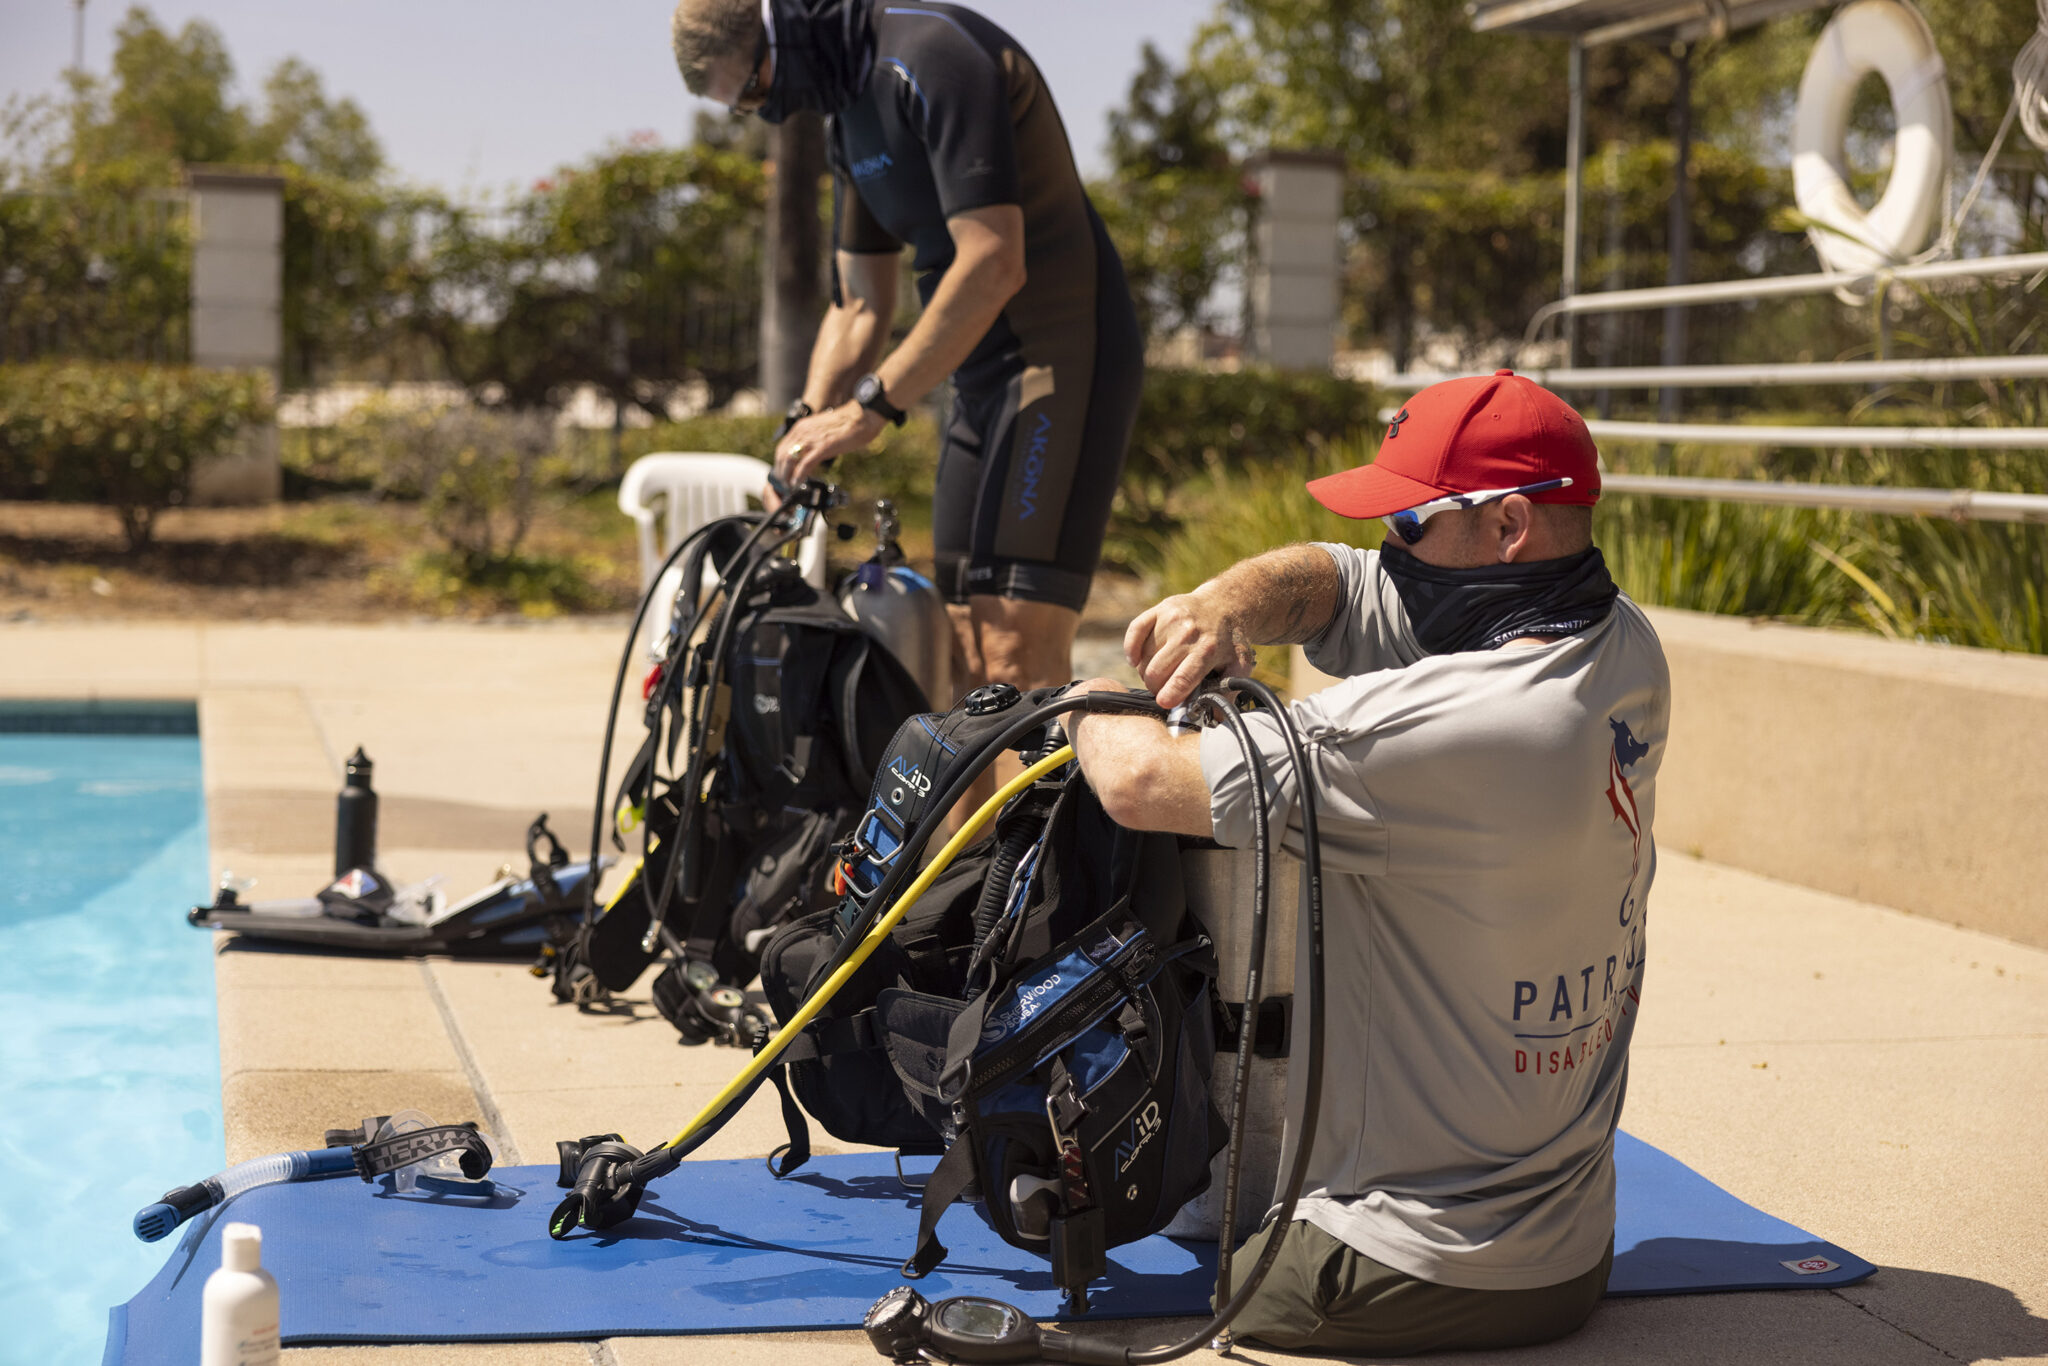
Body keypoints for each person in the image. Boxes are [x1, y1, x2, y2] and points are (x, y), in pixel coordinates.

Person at [1066, 370, 1670, 1355]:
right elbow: (1335, 579)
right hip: (1571, 1236)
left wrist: (1091, 693)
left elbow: (1140, 781)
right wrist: (1222, 604)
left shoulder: (1449, 728)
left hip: (1407, 1262)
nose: (1390, 544)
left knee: (1209, 1292)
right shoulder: (1619, 644)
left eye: (1408, 520)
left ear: (1508, 525)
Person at [670, 0, 1144, 701]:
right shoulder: (848, 117)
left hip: (1062, 356)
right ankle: (971, 818)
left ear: (779, 32)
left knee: (1013, 649)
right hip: (980, 381)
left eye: (752, 87)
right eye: (741, 107)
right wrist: (805, 427)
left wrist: (870, 407)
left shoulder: (929, 56)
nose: (762, 111)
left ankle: (1067, 810)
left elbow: (993, 263)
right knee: (954, 647)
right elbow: (860, 302)